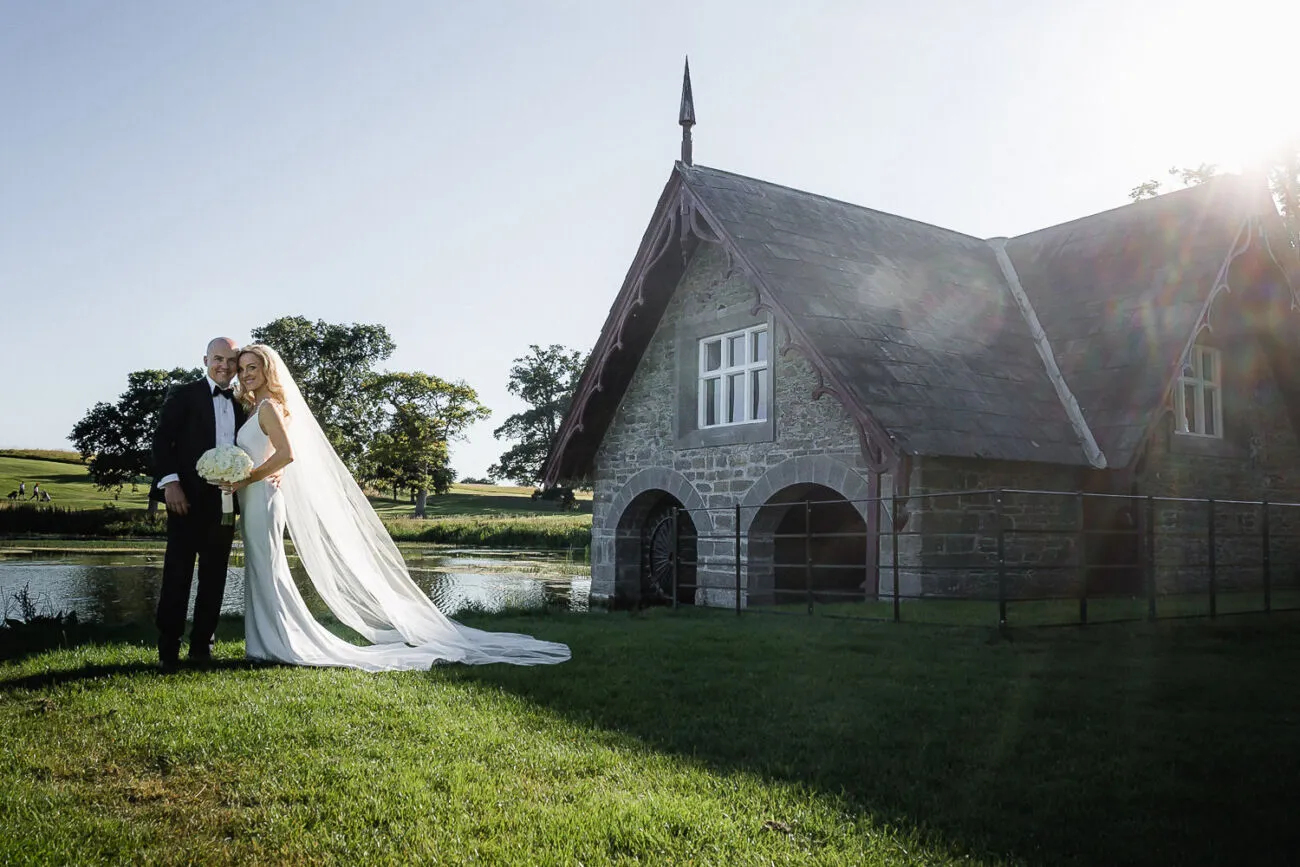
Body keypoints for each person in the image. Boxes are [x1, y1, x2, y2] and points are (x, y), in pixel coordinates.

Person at [220, 344, 569, 670]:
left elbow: (286, 454)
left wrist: (246, 478)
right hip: (255, 497)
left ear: (268, 371)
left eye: (254, 368)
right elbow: (272, 455)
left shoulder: (268, 408)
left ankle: (281, 644)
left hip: (262, 498)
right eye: (244, 369)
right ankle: (262, 644)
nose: (247, 374)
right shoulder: (257, 407)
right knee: (261, 569)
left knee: (270, 569)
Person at [149, 337, 246, 671]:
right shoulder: (184, 394)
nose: (225, 366)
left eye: (231, 360)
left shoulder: (242, 403)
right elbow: (162, 439)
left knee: (215, 575)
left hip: (226, 503)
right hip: (185, 501)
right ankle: (168, 649)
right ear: (205, 359)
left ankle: (203, 646)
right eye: (218, 358)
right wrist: (170, 483)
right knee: (177, 574)